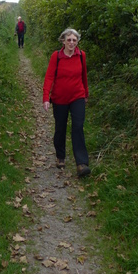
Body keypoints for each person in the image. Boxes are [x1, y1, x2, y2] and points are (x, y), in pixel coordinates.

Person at [42, 28, 91, 177]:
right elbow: (49, 77)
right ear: (63, 41)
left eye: (74, 40)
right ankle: (60, 156)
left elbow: (84, 77)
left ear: (77, 42)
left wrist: (86, 95)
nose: (71, 43)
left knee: (78, 126)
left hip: (77, 96)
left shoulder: (81, 56)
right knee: (60, 128)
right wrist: (46, 97)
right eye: (68, 40)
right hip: (59, 98)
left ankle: (81, 163)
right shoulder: (56, 56)